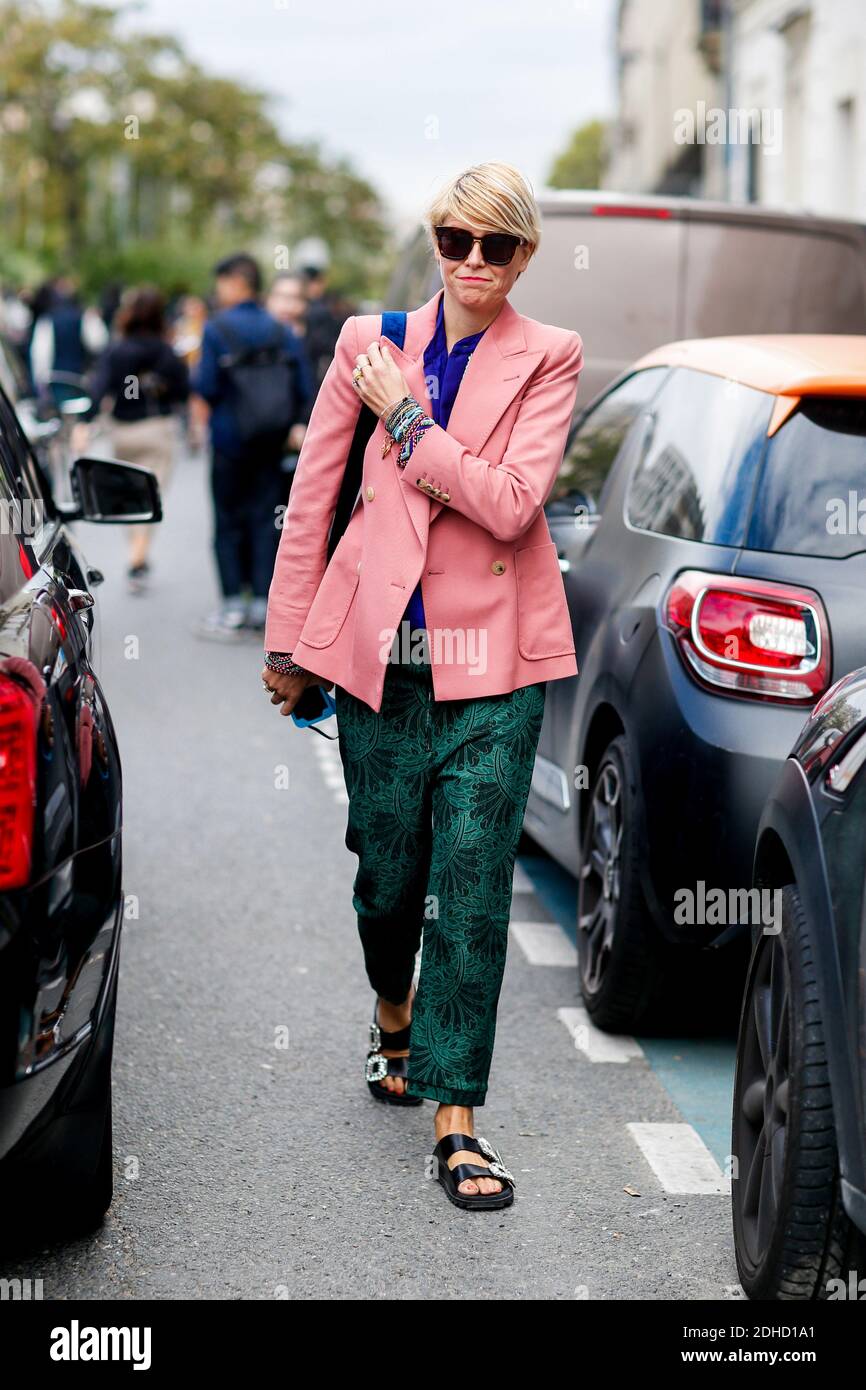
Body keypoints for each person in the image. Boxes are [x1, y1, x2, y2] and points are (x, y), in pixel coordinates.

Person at [261, 162, 584, 1211]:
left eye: (497, 246)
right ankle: (391, 1014)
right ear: (435, 241)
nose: (475, 263)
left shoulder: (548, 357)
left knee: (474, 883)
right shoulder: (366, 343)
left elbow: (506, 505)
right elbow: (313, 499)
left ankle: (456, 1119)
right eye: (456, 240)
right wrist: (287, 640)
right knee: (389, 878)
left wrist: (407, 421)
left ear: (524, 255)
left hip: (494, 667)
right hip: (380, 665)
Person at [192, 253, 314, 638]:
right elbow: (304, 387)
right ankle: (263, 604)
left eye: (222, 282)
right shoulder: (281, 331)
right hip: (271, 442)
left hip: (230, 441)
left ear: (235, 282)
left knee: (227, 521)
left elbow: (206, 386)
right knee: (266, 521)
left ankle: (232, 607)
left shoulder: (216, 329)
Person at [77, 285, 189, 592]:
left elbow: (99, 389)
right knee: (152, 496)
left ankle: (137, 554)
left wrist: (84, 424)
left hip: (123, 432)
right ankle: (137, 558)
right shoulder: (166, 352)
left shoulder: (116, 349)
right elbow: (183, 391)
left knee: (129, 495)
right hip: (157, 430)